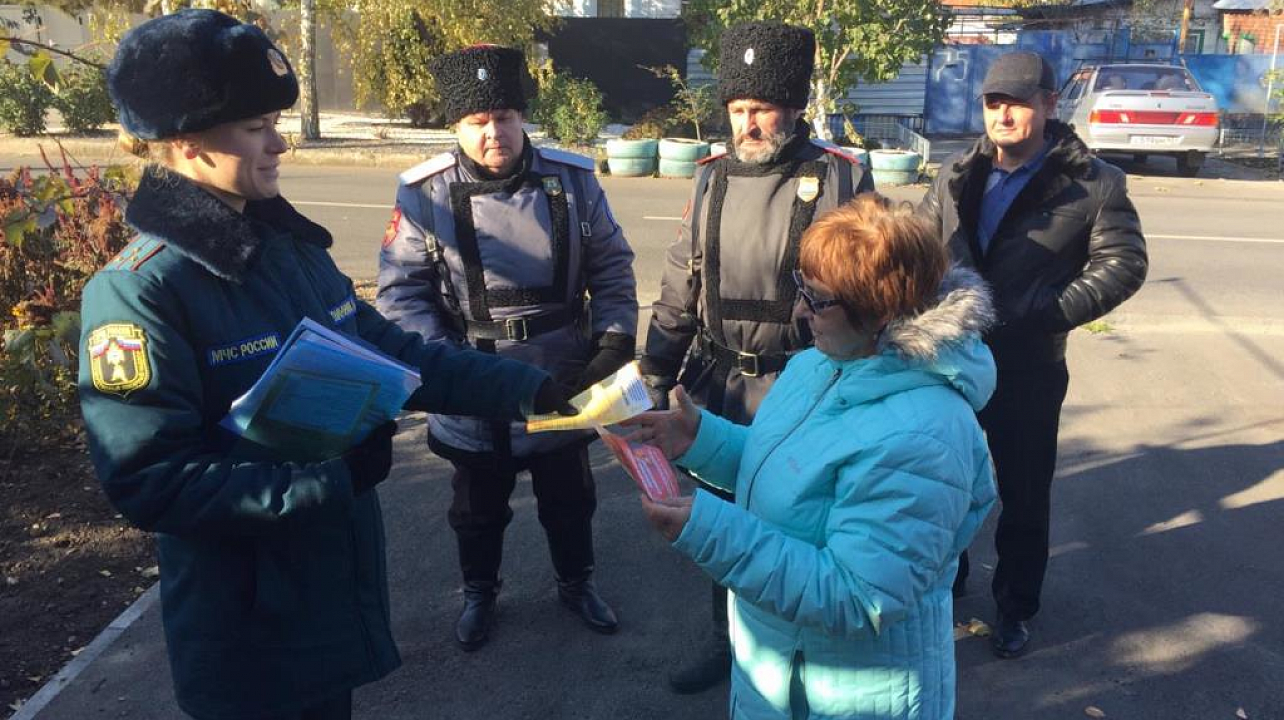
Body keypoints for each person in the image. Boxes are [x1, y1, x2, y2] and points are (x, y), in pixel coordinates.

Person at [79, 12, 573, 720]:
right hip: (246, 626)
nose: (280, 142)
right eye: (256, 128)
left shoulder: (284, 245)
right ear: (183, 141)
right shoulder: (140, 292)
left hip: (324, 590)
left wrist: (535, 390)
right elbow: (149, 481)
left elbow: (392, 352)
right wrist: (328, 481)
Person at [625, 194, 998, 720]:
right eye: (802, 289)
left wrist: (711, 530)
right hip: (783, 664)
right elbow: (786, 471)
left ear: (882, 312)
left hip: (848, 693)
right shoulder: (820, 364)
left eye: (820, 300)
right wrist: (698, 440)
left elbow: (856, 596)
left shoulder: (925, 436)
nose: (800, 311)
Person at [637, 20, 873, 694]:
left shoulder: (840, 176)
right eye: (738, 109)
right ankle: (730, 644)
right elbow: (681, 281)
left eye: (761, 108)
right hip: (718, 382)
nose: (748, 123)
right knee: (721, 522)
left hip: (805, 384)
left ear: (793, 106)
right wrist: (655, 373)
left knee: (795, 521)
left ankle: (801, 651)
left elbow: (869, 289)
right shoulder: (709, 179)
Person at [377, 44, 638, 651]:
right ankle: (479, 593)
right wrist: (454, 368)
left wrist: (612, 343)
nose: (493, 132)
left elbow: (614, 269)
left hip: (563, 374)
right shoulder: (424, 194)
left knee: (570, 499)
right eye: (476, 121)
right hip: (474, 382)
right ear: (456, 126)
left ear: (521, 116)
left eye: (503, 116)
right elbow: (404, 296)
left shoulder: (572, 182)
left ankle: (577, 583)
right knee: (477, 507)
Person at [918, 51, 1148, 658]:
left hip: (1028, 367)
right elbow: (918, 245)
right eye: (995, 102)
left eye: (1020, 102)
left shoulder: (1094, 183)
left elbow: (1124, 264)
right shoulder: (956, 175)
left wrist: (1047, 313)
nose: (1005, 114)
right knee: (946, 480)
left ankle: (1016, 606)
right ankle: (949, 584)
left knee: (1022, 492)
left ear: (1049, 104)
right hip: (953, 363)